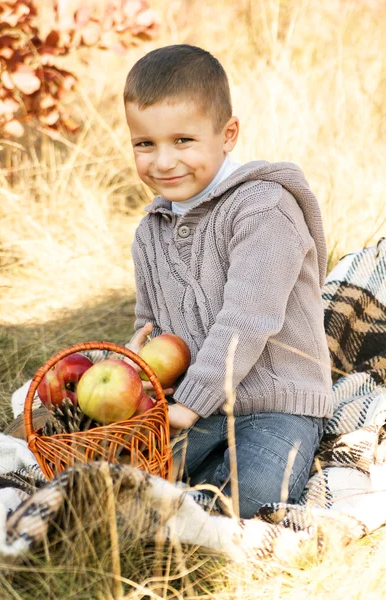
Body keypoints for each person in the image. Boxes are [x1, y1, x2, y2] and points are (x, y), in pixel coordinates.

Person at [123, 44, 333, 519]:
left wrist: (190, 405)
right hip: (195, 407)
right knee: (121, 477)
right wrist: (134, 375)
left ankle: (204, 504)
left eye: (183, 141)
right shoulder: (149, 232)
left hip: (278, 402)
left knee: (248, 499)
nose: (163, 162)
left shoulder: (262, 208)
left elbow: (248, 317)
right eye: (145, 144)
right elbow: (152, 328)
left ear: (228, 133)